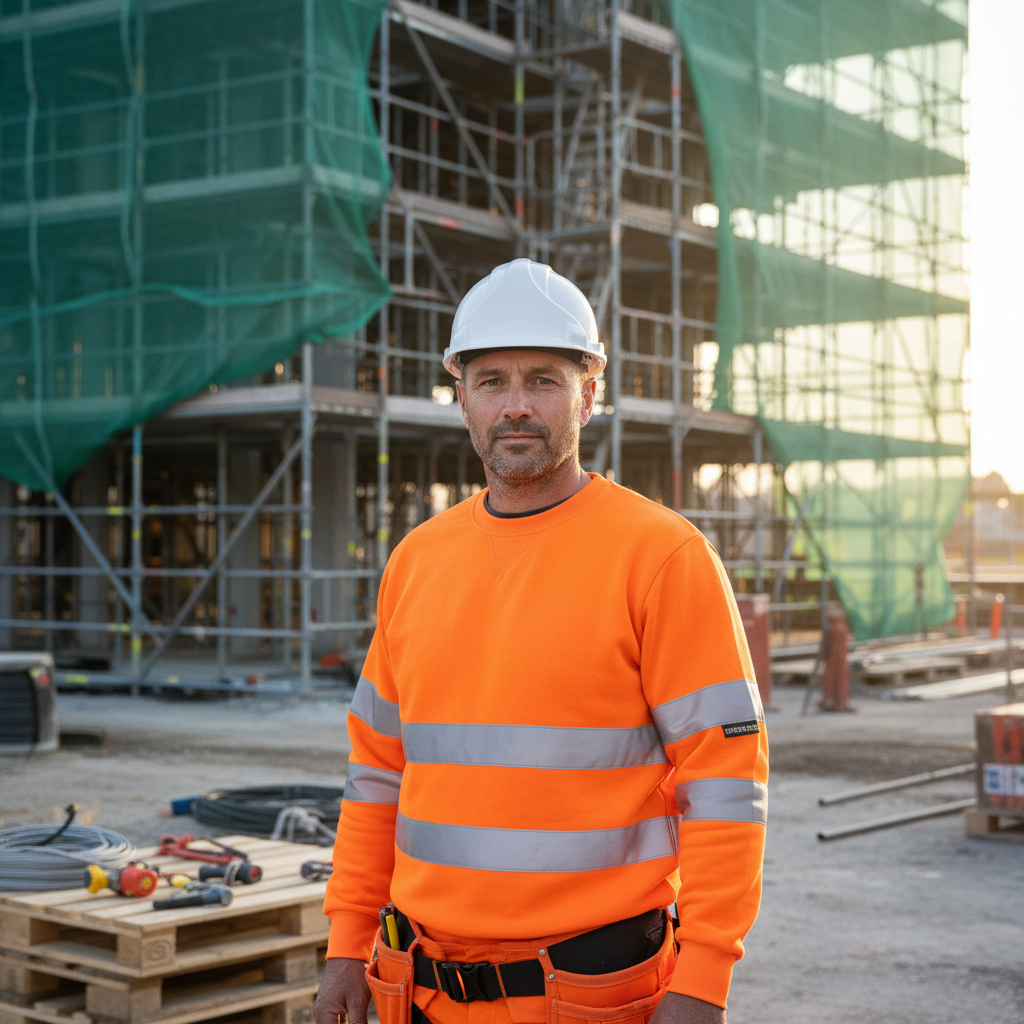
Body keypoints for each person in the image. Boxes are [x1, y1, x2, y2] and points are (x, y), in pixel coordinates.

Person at [315, 259, 767, 1024]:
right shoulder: (415, 562)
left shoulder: (662, 557)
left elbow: (726, 785)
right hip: (418, 987)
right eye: (492, 381)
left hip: (593, 992)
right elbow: (376, 776)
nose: (516, 406)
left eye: (544, 381)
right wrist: (344, 945)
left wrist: (703, 983)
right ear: (461, 397)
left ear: (589, 395)